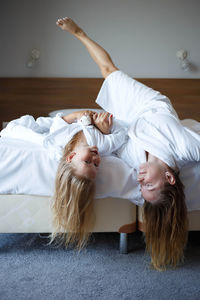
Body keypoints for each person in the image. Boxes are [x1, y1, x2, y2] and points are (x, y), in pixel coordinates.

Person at [56, 17, 200, 270]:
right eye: (149, 184)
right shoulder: (186, 148)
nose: (140, 179)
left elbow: (113, 137)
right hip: (151, 106)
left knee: (94, 113)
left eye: (140, 186)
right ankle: (79, 32)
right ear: (170, 178)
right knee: (109, 71)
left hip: (127, 120)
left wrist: (103, 128)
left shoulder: (134, 163)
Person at [0, 109, 127, 249]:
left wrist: (75, 115)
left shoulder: (60, 141)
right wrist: (106, 130)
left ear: (71, 157)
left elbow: (58, 123)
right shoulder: (103, 145)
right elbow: (121, 135)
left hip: (84, 117)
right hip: (94, 120)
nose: (95, 158)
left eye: (87, 162)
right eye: (96, 164)